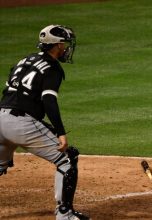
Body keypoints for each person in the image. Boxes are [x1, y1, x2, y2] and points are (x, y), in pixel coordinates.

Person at [0, 25, 89, 220]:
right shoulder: (52, 68)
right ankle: (65, 214)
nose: (65, 48)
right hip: (21, 123)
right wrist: (60, 132)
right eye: (64, 44)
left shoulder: (25, 60)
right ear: (56, 45)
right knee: (67, 159)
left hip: (0, 117)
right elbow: (49, 100)